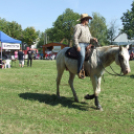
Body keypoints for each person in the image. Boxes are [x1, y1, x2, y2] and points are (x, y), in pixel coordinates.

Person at [74, 13, 98, 79]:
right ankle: (79, 71)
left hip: (87, 44)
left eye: (88, 19)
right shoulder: (78, 26)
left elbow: (89, 37)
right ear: (84, 19)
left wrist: (93, 39)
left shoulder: (87, 28)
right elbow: (75, 37)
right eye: (87, 19)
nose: (88, 21)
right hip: (80, 44)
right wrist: (77, 45)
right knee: (82, 55)